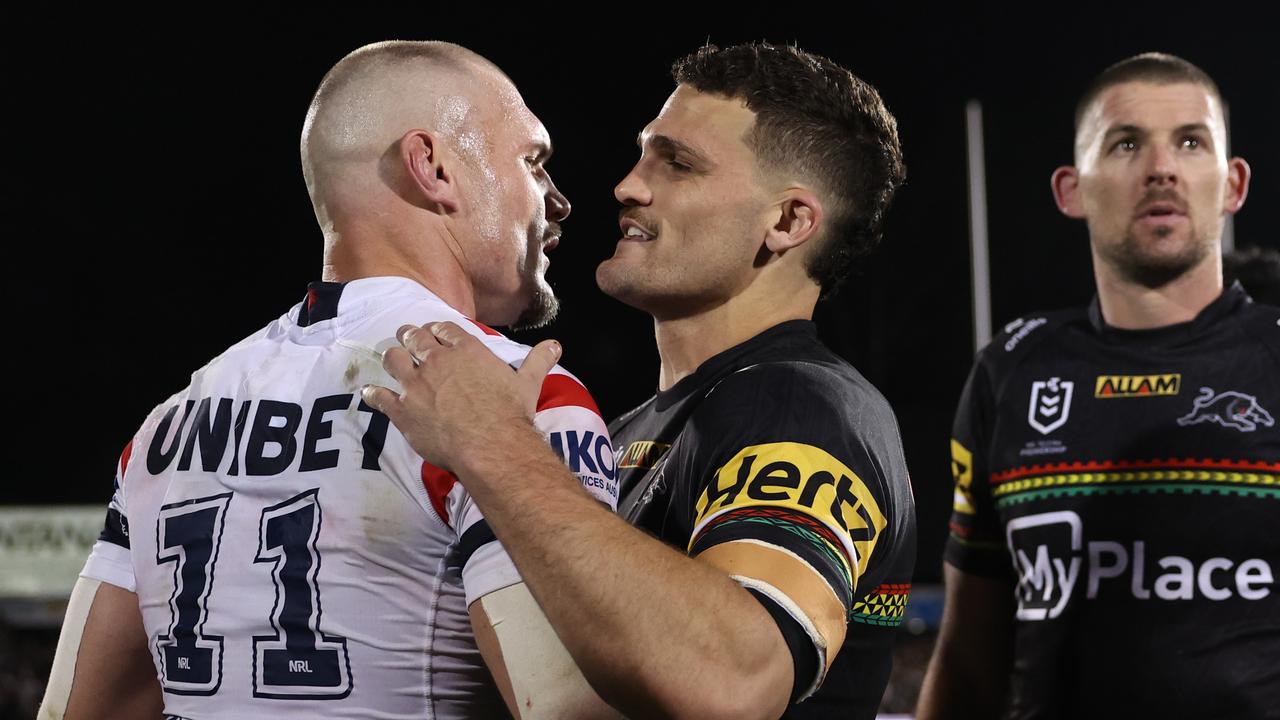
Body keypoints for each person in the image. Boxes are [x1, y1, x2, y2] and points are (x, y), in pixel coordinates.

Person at [39, 41, 621, 720]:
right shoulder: (516, 395)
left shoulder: (166, 424)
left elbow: (76, 711)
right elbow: (571, 709)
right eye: (533, 162)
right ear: (433, 167)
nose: (559, 201)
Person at [363, 42, 917, 720]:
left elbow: (737, 682)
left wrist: (494, 446)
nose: (628, 185)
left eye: (678, 163)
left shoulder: (806, 406)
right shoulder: (636, 427)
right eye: (645, 152)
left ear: (787, 222)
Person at [917, 52, 1278, 719]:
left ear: (1233, 185)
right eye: (1125, 143)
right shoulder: (1010, 373)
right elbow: (969, 660)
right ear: (1071, 190)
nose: (1161, 167)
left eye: (1191, 142)